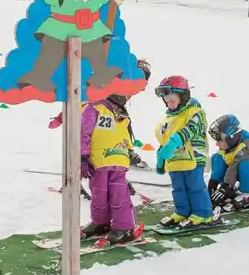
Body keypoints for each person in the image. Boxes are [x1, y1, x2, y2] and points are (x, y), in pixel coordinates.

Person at [78, 94, 140, 244]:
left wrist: (130, 151)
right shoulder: (94, 108)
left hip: (118, 160)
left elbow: (124, 136)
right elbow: (84, 132)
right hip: (99, 161)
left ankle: (124, 228)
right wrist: (83, 156)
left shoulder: (123, 115)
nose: (124, 97)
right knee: (99, 193)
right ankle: (100, 222)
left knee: (119, 194)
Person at [153, 75, 213, 228]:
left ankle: (202, 213)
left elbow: (191, 130)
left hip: (193, 157)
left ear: (183, 96)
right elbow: (165, 141)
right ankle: (182, 211)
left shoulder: (195, 112)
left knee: (195, 185)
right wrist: (161, 159)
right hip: (176, 160)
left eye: (172, 100)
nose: (169, 104)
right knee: (178, 188)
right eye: (167, 101)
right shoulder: (169, 119)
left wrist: (173, 142)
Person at [207, 114, 249, 211]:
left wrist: (226, 187)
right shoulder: (231, 145)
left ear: (231, 138)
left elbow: (234, 166)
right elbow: (225, 165)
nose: (217, 143)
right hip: (237, 169)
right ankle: (225, 189)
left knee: (246, 163)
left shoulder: (248, 147)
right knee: (217, 157)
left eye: (219, 141)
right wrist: (213, 184)